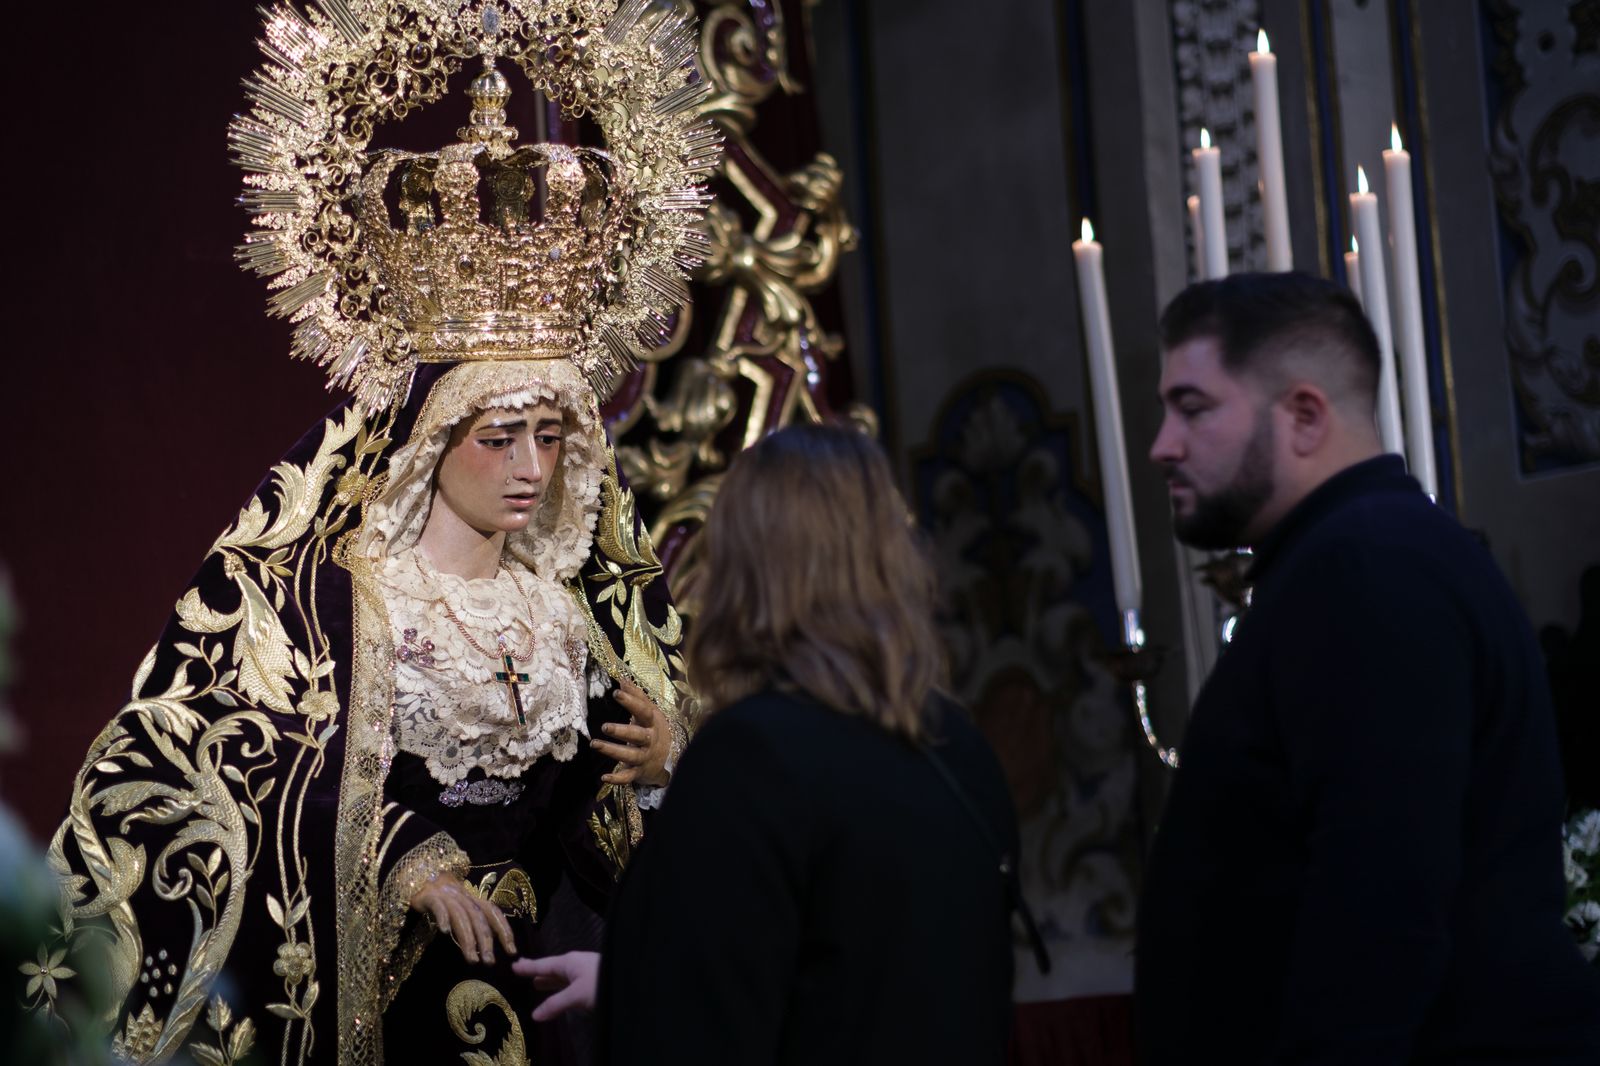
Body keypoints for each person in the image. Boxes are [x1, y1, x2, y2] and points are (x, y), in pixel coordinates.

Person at [33, 3, 719, 1063]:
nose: (532, 467)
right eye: (501, 437)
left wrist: (666, 761)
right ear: (432, 436)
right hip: (394, 993)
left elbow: (595, 817)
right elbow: (260, 776)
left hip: (553, 989)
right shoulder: (336, 601)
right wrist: (410, 865)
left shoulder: (568, 611)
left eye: (549, 435)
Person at [1133, 272, 1600, 1063]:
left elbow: (1380, 899)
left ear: (1306, 415)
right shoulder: (1361, 556)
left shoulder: (1365, 569)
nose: (1162, 445)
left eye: (1194, 407)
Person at [556, 423, 1021, 1064]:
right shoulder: (957, 742)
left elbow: (703, 1028)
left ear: (746, 568)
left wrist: (640, 986)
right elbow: (865, 969)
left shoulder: (750, 757)